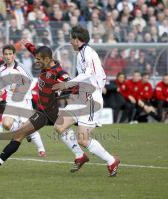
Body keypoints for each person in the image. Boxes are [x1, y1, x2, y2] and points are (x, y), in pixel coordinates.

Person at [0, 40, 88, 173]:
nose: (36, 62)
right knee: (25, 133)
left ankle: (96, 157)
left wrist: (74, 95)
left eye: (38, 59)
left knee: (27, 133)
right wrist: (27, 44)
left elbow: (73, 85)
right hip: (43, 110)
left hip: (48, 111)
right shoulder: (45, 63)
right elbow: (36, 52)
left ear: (46, 59)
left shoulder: (59, 72)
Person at [52, 25, 120, 177]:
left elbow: (89, 74)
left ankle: (111, 161)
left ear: (77, 40)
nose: (70, 42)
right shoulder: (83, 53)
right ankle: (79, 155)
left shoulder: (87, 52)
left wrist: (67, 85)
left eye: (71, 39)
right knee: (59, 126)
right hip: (82, 96)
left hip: (91, 100)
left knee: (83, 139)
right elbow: (96, 76)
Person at [0, 44, 46, 157]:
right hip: (11, 101)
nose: (8, 56)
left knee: (27, 126)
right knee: (7, 125)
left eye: (10, 54)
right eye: (6, 54)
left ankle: (41, 149)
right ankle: (25, 133)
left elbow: (32, 82)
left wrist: (19, 88)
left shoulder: (20, 67)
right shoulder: (1, 68)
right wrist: (1, 92)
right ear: (3, 55)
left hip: (24, 100)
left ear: (14, 55)